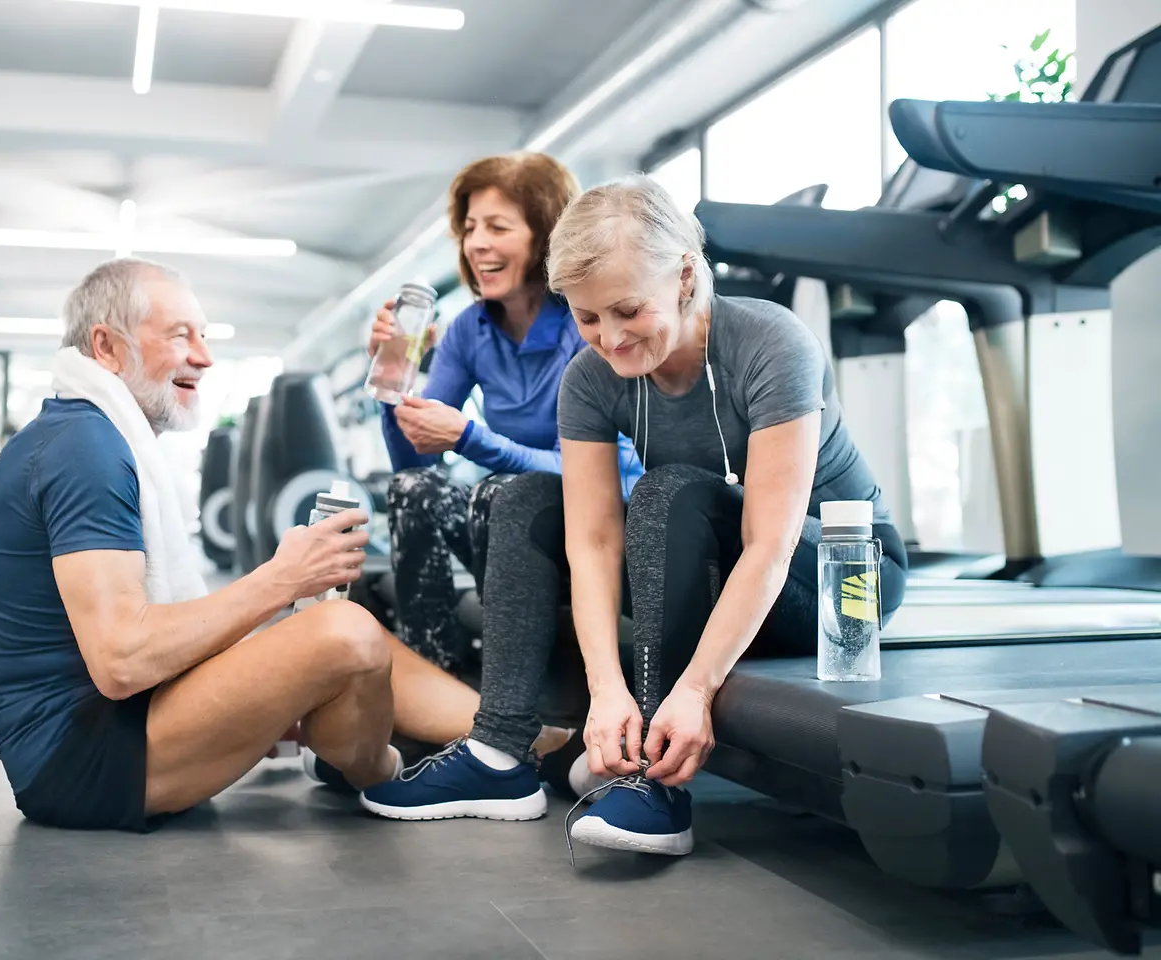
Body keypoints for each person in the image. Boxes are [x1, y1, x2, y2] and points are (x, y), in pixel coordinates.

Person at [361, 176, 907, 852]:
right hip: (710, 562)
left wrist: (694, 692)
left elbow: (769, 542)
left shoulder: (770, 343)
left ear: (684, 277)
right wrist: (606, 692)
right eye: (587, 319)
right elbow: (590, 541)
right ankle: (500, 752)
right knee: (527, 497)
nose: (610, 340)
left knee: (668, 490)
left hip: (839, 579)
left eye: (626, 311)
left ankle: (655, 780)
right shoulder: (589, 379)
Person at [0, 257, 484, 833]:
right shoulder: (83, 450)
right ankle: (386, 768)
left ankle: (519, 744)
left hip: (115, 729)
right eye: (180, 335)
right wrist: (282, 579)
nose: (205, 357)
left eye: (205, 337)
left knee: (341, 623)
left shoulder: (92, 435)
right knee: (346, 634)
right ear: (106, 347)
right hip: (77, 761)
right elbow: (120, 660)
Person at [375, 152, 640, 678]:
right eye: (470, 228)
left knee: (500, 492)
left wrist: (471, 438)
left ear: (544, 235)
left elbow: (607, 476)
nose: (476, 243)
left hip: (601, 534)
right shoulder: (469, 329)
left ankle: (509, 699)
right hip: (514, 539)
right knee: (411, 491)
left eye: (498, 227)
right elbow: (414, 462)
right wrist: (391, 379)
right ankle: (436, 682)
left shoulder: (586, 324)